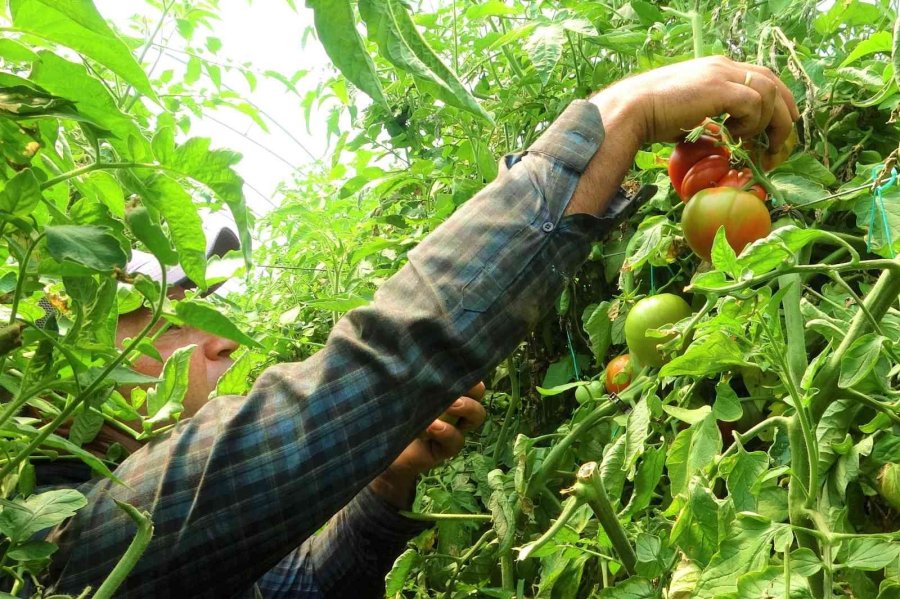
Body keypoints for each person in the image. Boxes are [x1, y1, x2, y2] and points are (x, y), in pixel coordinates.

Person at [39, 56, 799, 598]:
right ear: (49, 355)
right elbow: (378, 363)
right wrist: (621, 116)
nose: (218, 339)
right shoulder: (55, 543)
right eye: (165, 317)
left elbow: (291, 586)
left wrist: (383, 482)